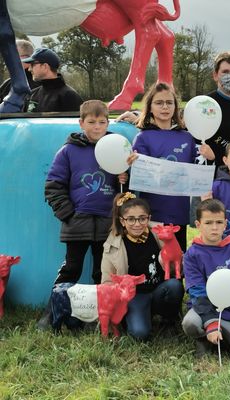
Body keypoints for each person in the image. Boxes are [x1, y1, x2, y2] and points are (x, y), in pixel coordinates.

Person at [37, 100, 127, 329]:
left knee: (102, 271)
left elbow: (126, 192)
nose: (97, 127)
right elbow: (53, 186)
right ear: (81, 123)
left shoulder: (116, 148)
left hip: (107, 224)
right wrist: (68, 215)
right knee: (71, 269)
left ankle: (97, 318)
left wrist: (125, 180)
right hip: (77, 223)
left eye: (102, 122)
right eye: (91, 122)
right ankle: (51, 314)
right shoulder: (68, 151)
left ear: (108, 123)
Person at [182, 199, 230, 359]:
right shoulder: (192, 254)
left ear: (226, 224)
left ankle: (225, 340)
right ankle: (204, 338)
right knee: (190, 323)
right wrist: (211, 322)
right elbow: (197, 292)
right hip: (204, 310)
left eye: (219, 222)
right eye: (208, 222)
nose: (214, 227)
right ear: (198, 225)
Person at [100, 192, 184, 340]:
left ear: (149, 218)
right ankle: (135, 316)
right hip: (134, 296)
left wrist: (173, 263)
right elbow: (107, 282)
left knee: (174, 286)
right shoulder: (112, 245)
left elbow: (178, 265)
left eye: (142, 218)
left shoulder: (160, 234)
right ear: (122, 221)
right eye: (131, 219)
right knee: (140, 334)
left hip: (159, 289)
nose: (137, 224)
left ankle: (169, 321)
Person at [128, 82, 196, 251]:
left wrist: (207, 157)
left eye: (169, 102)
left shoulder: (187, 138)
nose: (165, 107)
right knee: (153, 265)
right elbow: (139, 176)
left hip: (178, 212)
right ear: (150, 107)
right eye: (159, 103)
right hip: (152, 212)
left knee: (176, 264)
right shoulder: (143, 138)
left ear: (175, 107)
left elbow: (195, 173)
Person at [21, 47, 83, 112]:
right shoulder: (32, 95)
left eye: (32, 65)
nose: (29, 69)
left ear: (45, 66)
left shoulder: (69, 96)